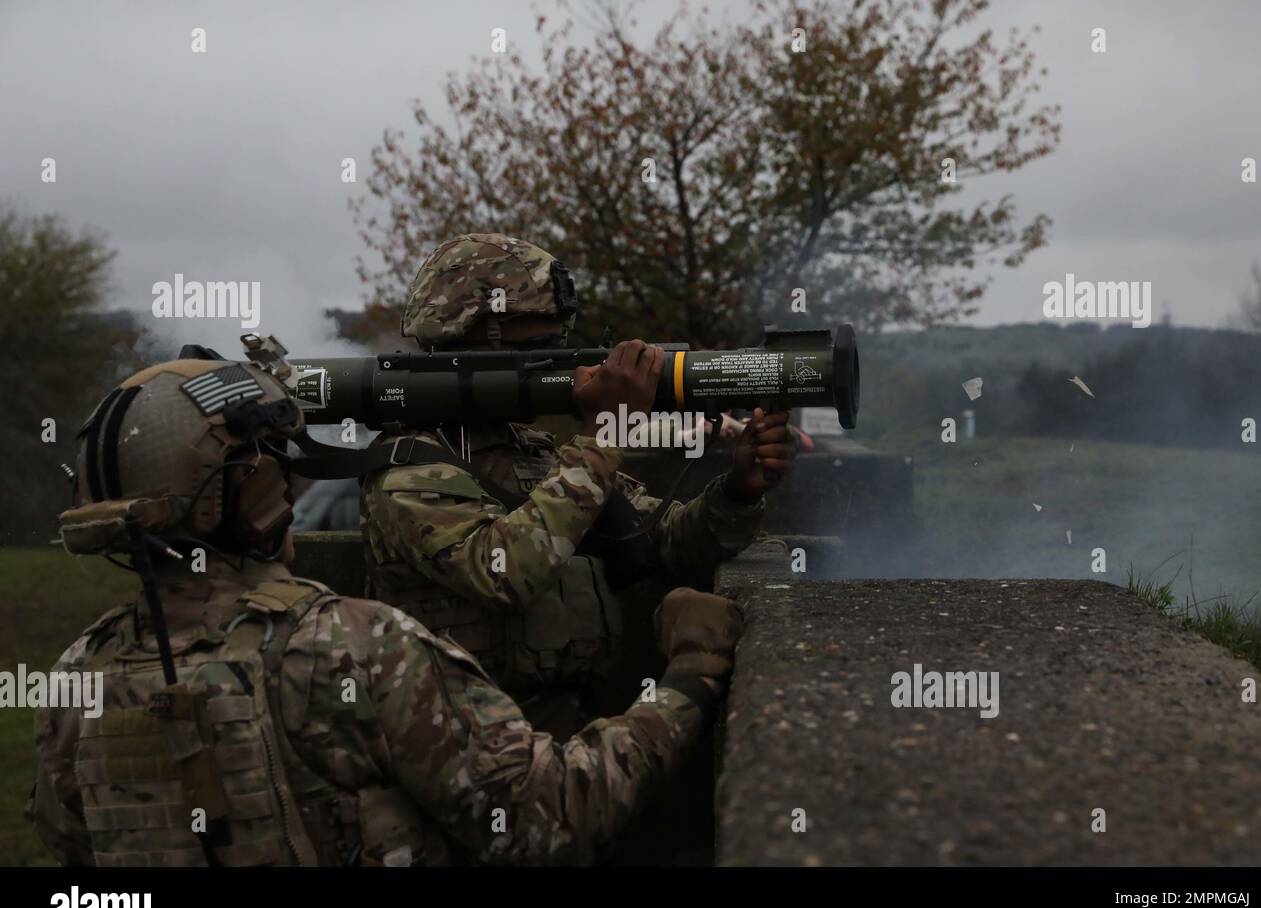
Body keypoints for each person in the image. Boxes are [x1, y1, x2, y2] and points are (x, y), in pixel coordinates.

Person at [26, 355, 742, 866]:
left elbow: (70, 846)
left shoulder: (74, 681)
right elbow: (551, 816)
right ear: (253, 490)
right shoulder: (352, 648)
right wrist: (689, 678)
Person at [361, 233, 797, 735]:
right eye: (539, 349)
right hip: (467, 758)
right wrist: (604, 433)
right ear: (472, 342)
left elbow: (663, 538)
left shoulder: (533, 450)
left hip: (568, 743)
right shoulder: (408, 470)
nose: (563, 367)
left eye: (559, 346)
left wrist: (738, 490)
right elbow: (504, 572)